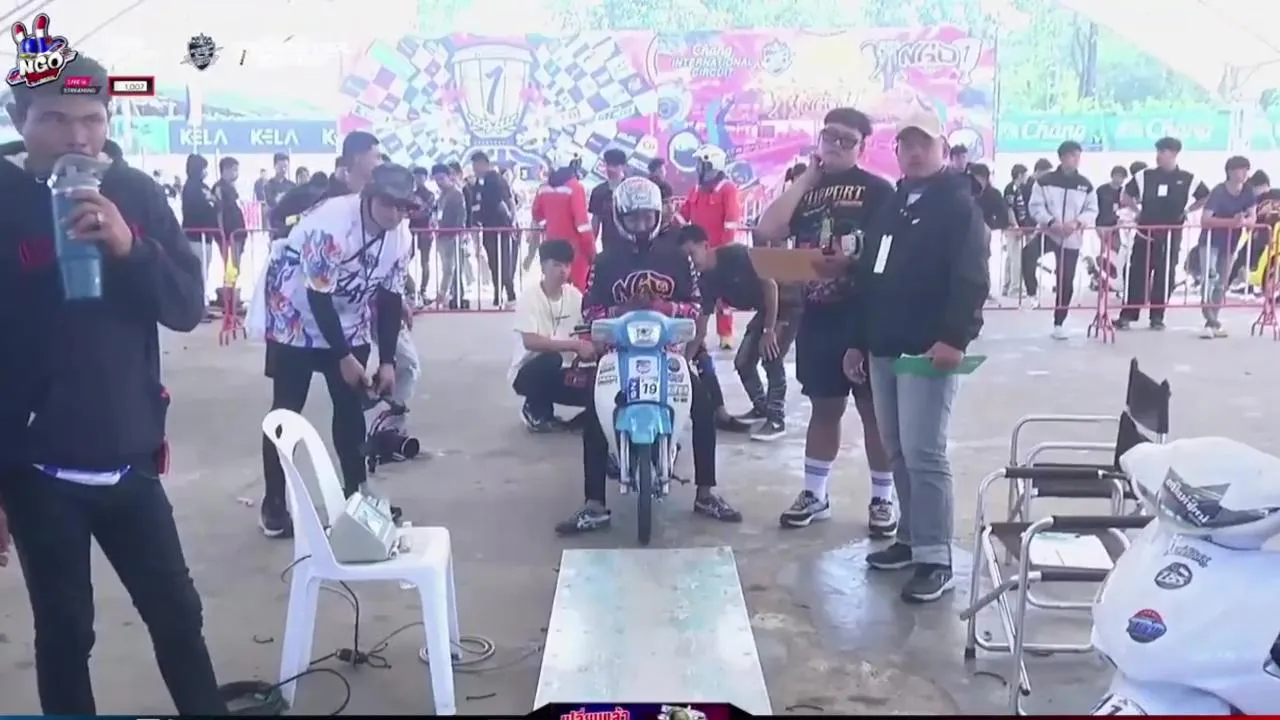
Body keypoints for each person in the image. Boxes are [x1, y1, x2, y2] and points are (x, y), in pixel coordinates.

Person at [0, 57, 228, 714]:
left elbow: (186, 306)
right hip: (37, 470)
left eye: (93, 119)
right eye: (56, 119)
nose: (78, 137)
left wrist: (131, 248)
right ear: (19, 119)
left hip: (129, 459)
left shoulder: (137, 192)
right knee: (66, 632)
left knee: (178, 615)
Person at [844, 109, 988, 603]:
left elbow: (971, 278)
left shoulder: (959, 206)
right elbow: (870, 276)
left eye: (924, 143)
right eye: (906, 143)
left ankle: (935, 557)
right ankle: (910, 538)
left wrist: (955, 338)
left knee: (925, 452)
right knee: (898, 448)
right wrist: (858, 340)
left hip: (928, 348)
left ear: (943, 148)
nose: (915, 152)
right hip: (884, 346)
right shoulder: (893, 204)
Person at [556, 177, 742, 534]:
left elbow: (695, 305)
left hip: (666, 348)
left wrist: (666, 307)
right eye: (633, 218)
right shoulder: (605, 260)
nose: (640, 225)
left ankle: (706, 492)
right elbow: (590, 310)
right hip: (619, 350)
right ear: (619, 217)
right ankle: (594, 503)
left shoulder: (677, 257)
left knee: (703, 405)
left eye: (646, 217)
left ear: (658, 215)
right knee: (594, 411)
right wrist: (620, 311)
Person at [754, 107, 897, 536]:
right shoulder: (806, 189)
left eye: (846, 140)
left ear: (861, 147)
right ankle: (815, 493)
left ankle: (882, 499)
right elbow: (768, 230)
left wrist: (854, 262)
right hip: (817, 315)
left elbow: (888, 253)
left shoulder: (878, 190)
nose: (835, 145)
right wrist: (805, 180)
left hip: (865, 314)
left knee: (873, 412)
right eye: (829, 136)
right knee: (824, 407)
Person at [254, 163, 415, 536]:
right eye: (388, 204)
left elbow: (390, 297)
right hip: (295, 311)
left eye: (402, 206)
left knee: (350, 406)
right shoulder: (331, 225)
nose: (395, 214)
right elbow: (318, 296)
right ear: (369, 197)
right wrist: (343, 357)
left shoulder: (400, 236)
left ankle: (355, 495)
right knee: (286, 410)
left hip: (349, 313)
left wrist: (386, 361)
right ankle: (274, 502)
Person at [679, 224, 798, 441]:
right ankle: (762, 407)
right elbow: (701, 330)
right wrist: (683, 362)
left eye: (691, 254)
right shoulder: (705, 281)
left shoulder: (736, 255)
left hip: (787, 302)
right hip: (765, 309)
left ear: (705, 246)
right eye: (684, 258)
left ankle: (776, 420)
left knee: (771, 356)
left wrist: (769, 330)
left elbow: (771, 286)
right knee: (743, 362)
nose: (690, 261)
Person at [1116, 137, 1210, 330]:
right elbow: (1125, 195)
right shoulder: (1145, 176)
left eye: (1163, 152)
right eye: (1157, 152)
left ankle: (1157, 316)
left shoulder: (1188, 178)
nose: (1158, 156)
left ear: (1174, 154)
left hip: (1171, 235)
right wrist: (1136, 210)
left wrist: (1188, 210)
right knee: (1137, 273)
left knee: (1165, 275)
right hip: (1145, 232)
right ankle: (1128, 315)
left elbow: (1206, 196)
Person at [510, 239, 592, 431]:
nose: (563, 271)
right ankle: (535, 409)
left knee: (597, 379)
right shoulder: (530, 297)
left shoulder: (575, 296)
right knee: (551, 359)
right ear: (543, 267)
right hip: (529, 370)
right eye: (556, 265)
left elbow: (589, 329)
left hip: (565, 370)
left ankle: (586, 420)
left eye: (567, 265)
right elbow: (530, 342)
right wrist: (574, 346)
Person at [1027, 140, 1098, 339]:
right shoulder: (1044, 181)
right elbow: (1036, 206)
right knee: (1028, 254)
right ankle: (1031, 292)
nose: (1076, 160)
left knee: (1066, 280)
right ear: (1062, 157)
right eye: (1072, 155)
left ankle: (1059, 322)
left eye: (1078, 156)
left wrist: (1077, 223)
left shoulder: (1085, 185)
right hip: (1048, 232)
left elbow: (1092, 209)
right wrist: (1051, 222)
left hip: (1071, 237)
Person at [681, 144, 741, 349]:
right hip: (698, 255)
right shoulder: (695, 190)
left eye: (702, 165)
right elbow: (683, 215)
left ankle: (726, 334)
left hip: (719, 253)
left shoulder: (727, 189)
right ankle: (699, 337)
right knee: (700, 296)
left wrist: (725, 250)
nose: (698, 169)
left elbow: (730, 221)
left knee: (724, 298)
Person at [1196, 155, 1256, 338]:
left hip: (1230, 242)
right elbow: (1205, 219)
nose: (1244, 173)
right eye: (1240, 169)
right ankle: (1210, 318)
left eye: (1246, 169)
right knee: (1209, 278)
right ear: (1230, 172)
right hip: (1210, 241)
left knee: (1222, 282)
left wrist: (1244, 221)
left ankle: (1213, 319)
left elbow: (1252, 217)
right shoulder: (1219, 191)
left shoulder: (1248, 191)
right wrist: (1231, 222)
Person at [531, 149, 594, 292]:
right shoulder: (575, 187)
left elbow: (537, 214)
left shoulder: (543, 188)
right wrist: (591, 252)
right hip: (575, 250)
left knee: (555, 292)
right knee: (577, 293)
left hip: (552, 248)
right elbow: (582, 225)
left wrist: (550, 225)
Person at [471, 151, 518, 308]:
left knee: (502, 262)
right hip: (488, 228)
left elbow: (505, 202)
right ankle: (498, 294)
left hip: (500, 229)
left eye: (475, 165)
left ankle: (510, 294)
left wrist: (510, 221)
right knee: (494, 263)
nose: (474, 169)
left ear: (483, 164)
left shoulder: (496, 180)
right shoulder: (480, 183)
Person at [180, 153, 218, 314]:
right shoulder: (190, 188)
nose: (205, 171)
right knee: (197, 272)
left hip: (207, 236)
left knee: (204, 272)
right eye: (203, 168)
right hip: (195, 235)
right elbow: (194, 210)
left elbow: (216, 203)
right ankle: (196, 307)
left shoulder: (204, 187)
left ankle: (202, 304)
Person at [212, 156, 246, 309]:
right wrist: (222, 233)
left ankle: (232, 297)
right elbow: (218, 212)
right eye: (234, 170)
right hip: (227, 234)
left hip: (238, 233)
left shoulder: (232, 188)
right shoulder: (219, 188)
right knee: (230, 267)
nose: (236, 173)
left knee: (235, 267)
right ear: (225, 170)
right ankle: (228, 299)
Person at [432, 162, 468, 309]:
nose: (439, 182)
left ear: (449, 177)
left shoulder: (456, 194)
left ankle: (442, 296)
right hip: (442, 236)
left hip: (453, 236)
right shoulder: (441, 196)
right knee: (448, 268)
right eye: (436, 180)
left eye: (441, 178)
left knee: (449, 268)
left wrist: (459, 233)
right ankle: (450, 295)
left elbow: (462, 216)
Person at [1087, 165, 1128, 292]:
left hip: (1116, 227)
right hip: (1101, 225)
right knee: (1102, 252)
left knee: (1117, 252)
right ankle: (1099, 277)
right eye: (1118, 176)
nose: (1119, 180)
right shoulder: (1102, 190)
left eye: (1122, 177)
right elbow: (1095, 207)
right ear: (1113, 176)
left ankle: (1114, 279)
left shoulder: (1123, 192)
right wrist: (1095, 224)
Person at [590, 148, 629, 253]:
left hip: (630, 246)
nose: (610, 169)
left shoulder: (631, 189)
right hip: (608, 246)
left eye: (615, 166)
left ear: (623, 166)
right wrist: (591, 247)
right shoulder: (598, 191)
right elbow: (595, 221)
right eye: (608, 165)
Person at [410, 166, 438, 305]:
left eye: (420, 177)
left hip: (425, 232)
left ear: (425, 178)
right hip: (412, 231)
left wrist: (414, 213)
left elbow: (426, 212)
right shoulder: (410, 194)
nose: (418, 180)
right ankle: (412, 290)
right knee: (405, 261)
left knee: (424, 262)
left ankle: (423, 290)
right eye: (416, 177)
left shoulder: (430, 195)